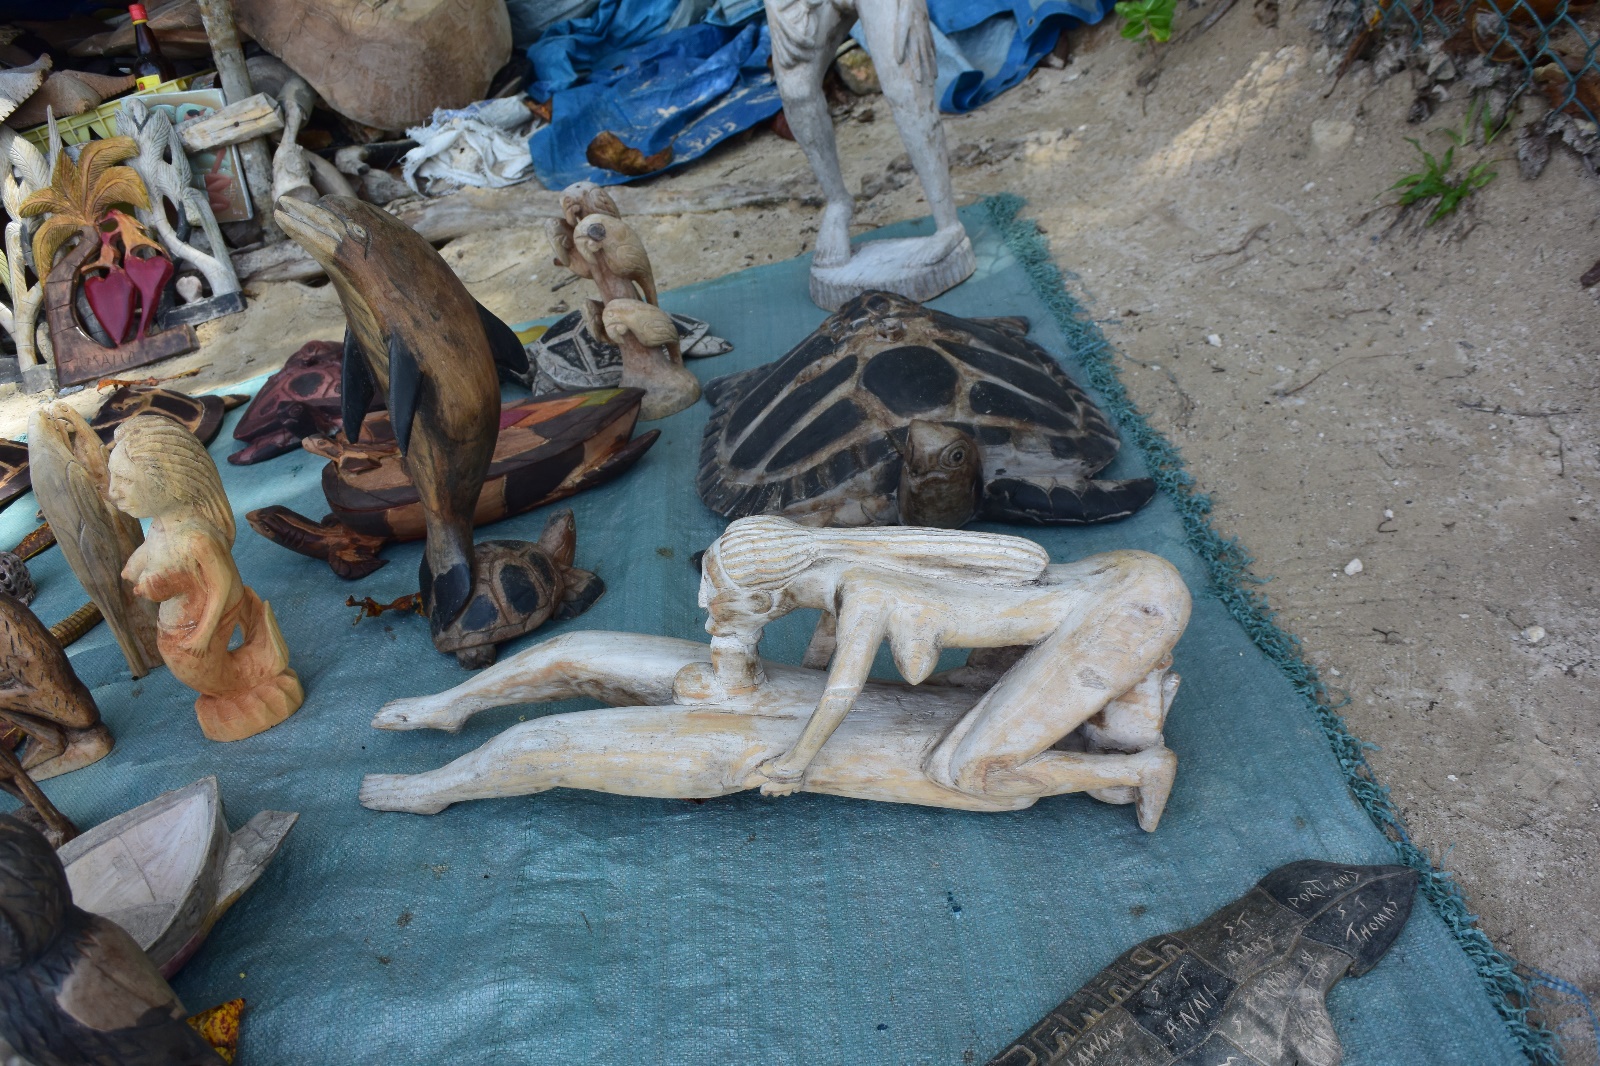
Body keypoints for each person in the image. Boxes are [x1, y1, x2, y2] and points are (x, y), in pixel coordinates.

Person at [361, 518, 1190, 830]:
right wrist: (738, 666)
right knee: (576, 656)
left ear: (769, 590)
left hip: (1125, 610)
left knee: (973, 767)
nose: (722, 625)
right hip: (1114, 581)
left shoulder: (861, 590)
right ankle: (451, 708)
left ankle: (1131, 761)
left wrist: (798, 760)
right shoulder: (832, 566)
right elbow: (828, 661)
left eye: (734, 609)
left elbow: (838, 692)